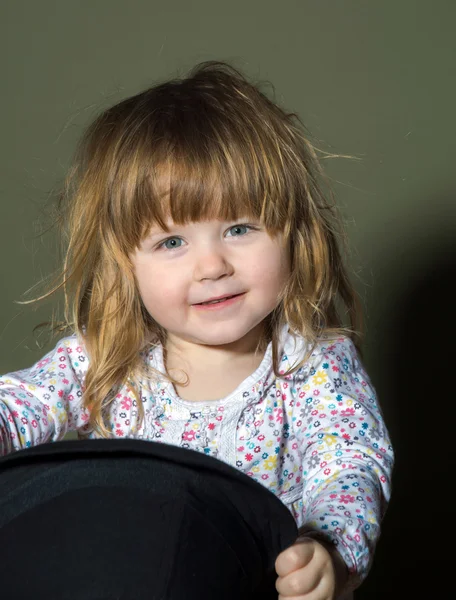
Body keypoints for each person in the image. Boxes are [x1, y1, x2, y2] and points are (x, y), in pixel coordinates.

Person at [0, 61, 393, 599]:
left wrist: (327, 551)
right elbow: (21, 405)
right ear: (126, 264)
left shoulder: (315, 365)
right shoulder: (104, 359)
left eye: (239, 228)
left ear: (293, 234)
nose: (211, 267)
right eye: (171, 243)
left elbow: (349, 470)